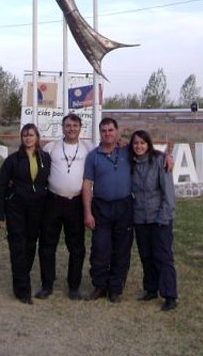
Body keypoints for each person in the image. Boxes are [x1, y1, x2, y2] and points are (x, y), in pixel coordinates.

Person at [35, 113, 93, 301]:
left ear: (80, 128)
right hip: (53, 201)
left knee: (77, 247)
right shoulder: (51, 147)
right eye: (68, 125)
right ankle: (47, 284)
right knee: (47, 244)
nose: (71, 128)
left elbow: (113, 148)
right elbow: (34, 165)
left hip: (76, 203)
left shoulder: (88, 148)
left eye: (75, 125)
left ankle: (74, 287)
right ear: (62, 127)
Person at [0, 123, 51, 304]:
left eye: (31, 135)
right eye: (25, 135)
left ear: (37, 137)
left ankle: (22, 278)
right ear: (21, 138)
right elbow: (2, 188)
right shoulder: (12, 160)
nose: (28, 138)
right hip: (16, 209)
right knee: (17, 246)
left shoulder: (45, 157)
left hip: (37, 208)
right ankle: (22, 290)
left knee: (30, 244)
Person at [82, 117, 133, 303]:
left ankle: (115, 289)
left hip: (124, 206)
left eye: (111, 130)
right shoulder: (93, 156)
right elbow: (87, 184)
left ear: (117, 131)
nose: (107, 134)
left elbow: (149, 153)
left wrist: (168, 157)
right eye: (104, 131)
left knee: (121, 250)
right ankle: (100, 286)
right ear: (100, 133)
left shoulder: (127, 152)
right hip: (101, 207)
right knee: (100, 249)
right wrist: (87, 212)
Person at [129, 129, 178, 312]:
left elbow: (168, 193)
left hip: (159, 218)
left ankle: (170, 295)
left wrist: (164, 216)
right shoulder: (131, 163)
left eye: (142, 143)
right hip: (140, 218)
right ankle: (151, 289)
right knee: (146, 256)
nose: (139, 146)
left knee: (163, 257)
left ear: (148, 145)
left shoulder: (159, 162)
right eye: (135, 143)